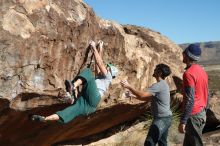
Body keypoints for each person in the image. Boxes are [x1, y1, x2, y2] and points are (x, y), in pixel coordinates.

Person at [31, 40, 118, 123]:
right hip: (89, 107)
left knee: (88, 72)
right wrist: (100, 48)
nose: (106, 67)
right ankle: (45, 118)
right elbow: (97, 63)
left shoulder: (109, 76)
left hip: (94, 98)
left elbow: (100, 63)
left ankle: (73, 86)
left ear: (110, 71)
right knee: (69, 111)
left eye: (108, 67)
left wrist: (94, 47)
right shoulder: (102, 77)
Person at [121, 64, 172, 146]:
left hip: (161, 119)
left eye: (156, 69)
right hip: (166, 118)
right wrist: (132, 95)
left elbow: (142, 95)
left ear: (160, 73)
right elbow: (147, 98)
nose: (154, 70)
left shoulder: (158, 85)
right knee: (162, 143)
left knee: (149, 143)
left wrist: (129, 86)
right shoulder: (163, 85)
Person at [179, 44, 209, 146]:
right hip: (201, 112)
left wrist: (183, 121)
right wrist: (205, 110)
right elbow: (207, 93)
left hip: (193, 116)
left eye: (184, 52)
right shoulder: (202, 71)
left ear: (187, 55)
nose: (182, 54)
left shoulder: (188, 74)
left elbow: (190, 99)